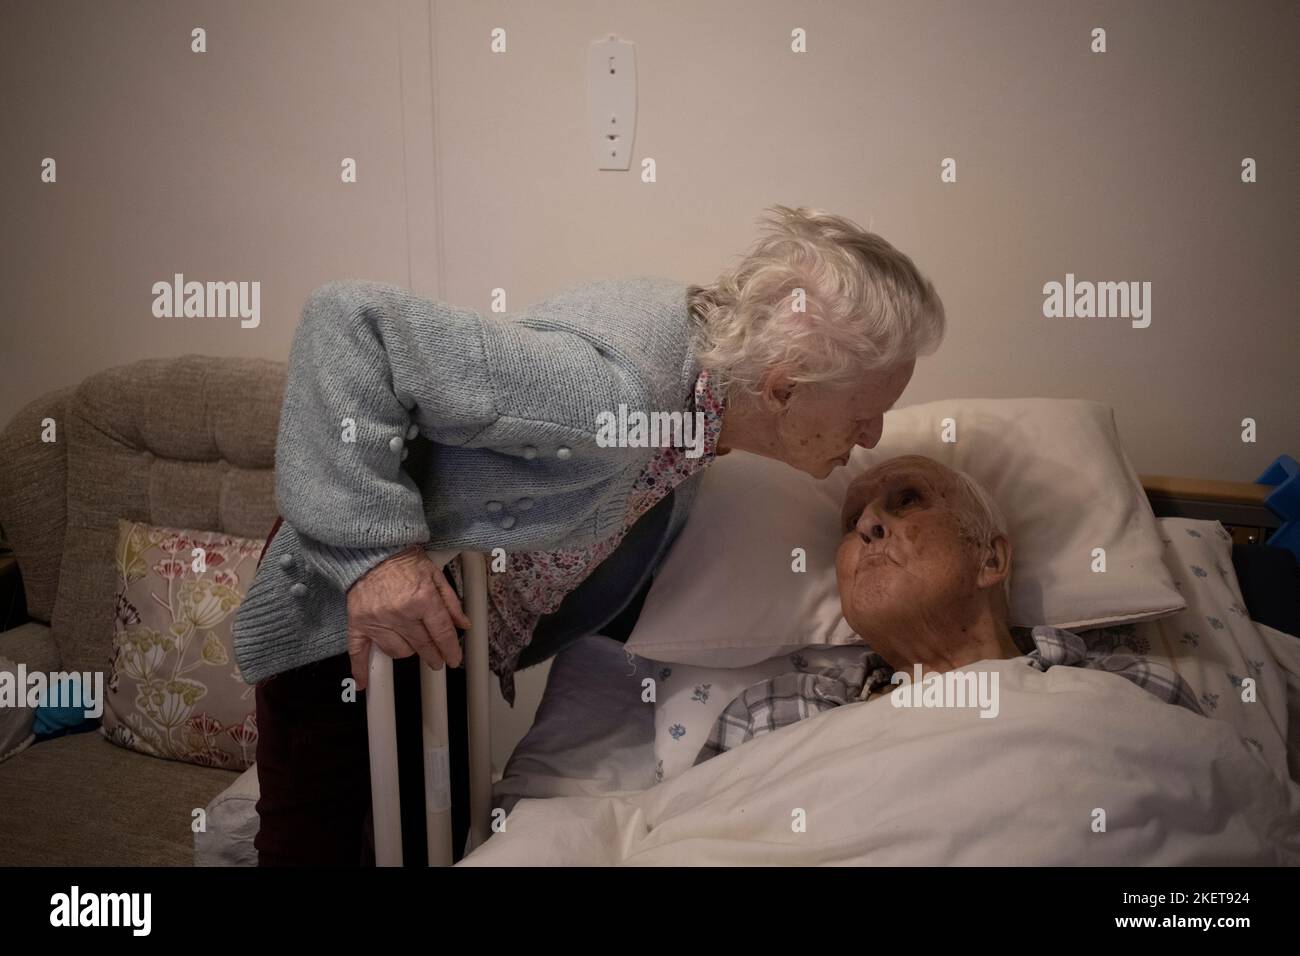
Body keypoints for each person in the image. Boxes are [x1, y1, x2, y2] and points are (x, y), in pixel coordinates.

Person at [231, 206, 948, 865]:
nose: (872, 436)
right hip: (353, 613)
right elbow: (349, 322)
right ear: (785, 388)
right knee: (311, 847)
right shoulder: (616, 395)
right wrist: (375, 557)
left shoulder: (705, 404)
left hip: (447, 632)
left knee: (430, 846)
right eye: (866, 413)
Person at [696, 455, 1203, 763]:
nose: (868, 522)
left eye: (908, 501)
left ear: (990, 557)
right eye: (852, 521)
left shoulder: (1130, 691)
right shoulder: (772, 714)